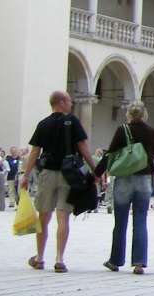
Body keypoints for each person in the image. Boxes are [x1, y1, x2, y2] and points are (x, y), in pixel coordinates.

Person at [21, 91, 98, 273]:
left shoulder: (43, 123)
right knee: (63, 217)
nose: (71, 104)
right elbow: (84, 148)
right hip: (68, 175)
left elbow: (35, 152)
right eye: (69, 101)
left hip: (47, 172)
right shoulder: (73, 122)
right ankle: (59, 259)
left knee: (43, 216)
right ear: (61, 102)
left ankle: (39, 258)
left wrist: (26, 174)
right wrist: (96, 169)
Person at [97, 101, 154, 275]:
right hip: (143, 179)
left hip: (124, 178)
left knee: (120, 222)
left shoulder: (122, 130)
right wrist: (144, 156)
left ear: (129, 115)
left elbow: (110, 154)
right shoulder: (151, 132)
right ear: (144, 114)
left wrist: (97, 173)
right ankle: (139, 262)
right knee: (140, 220)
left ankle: (115, 260)